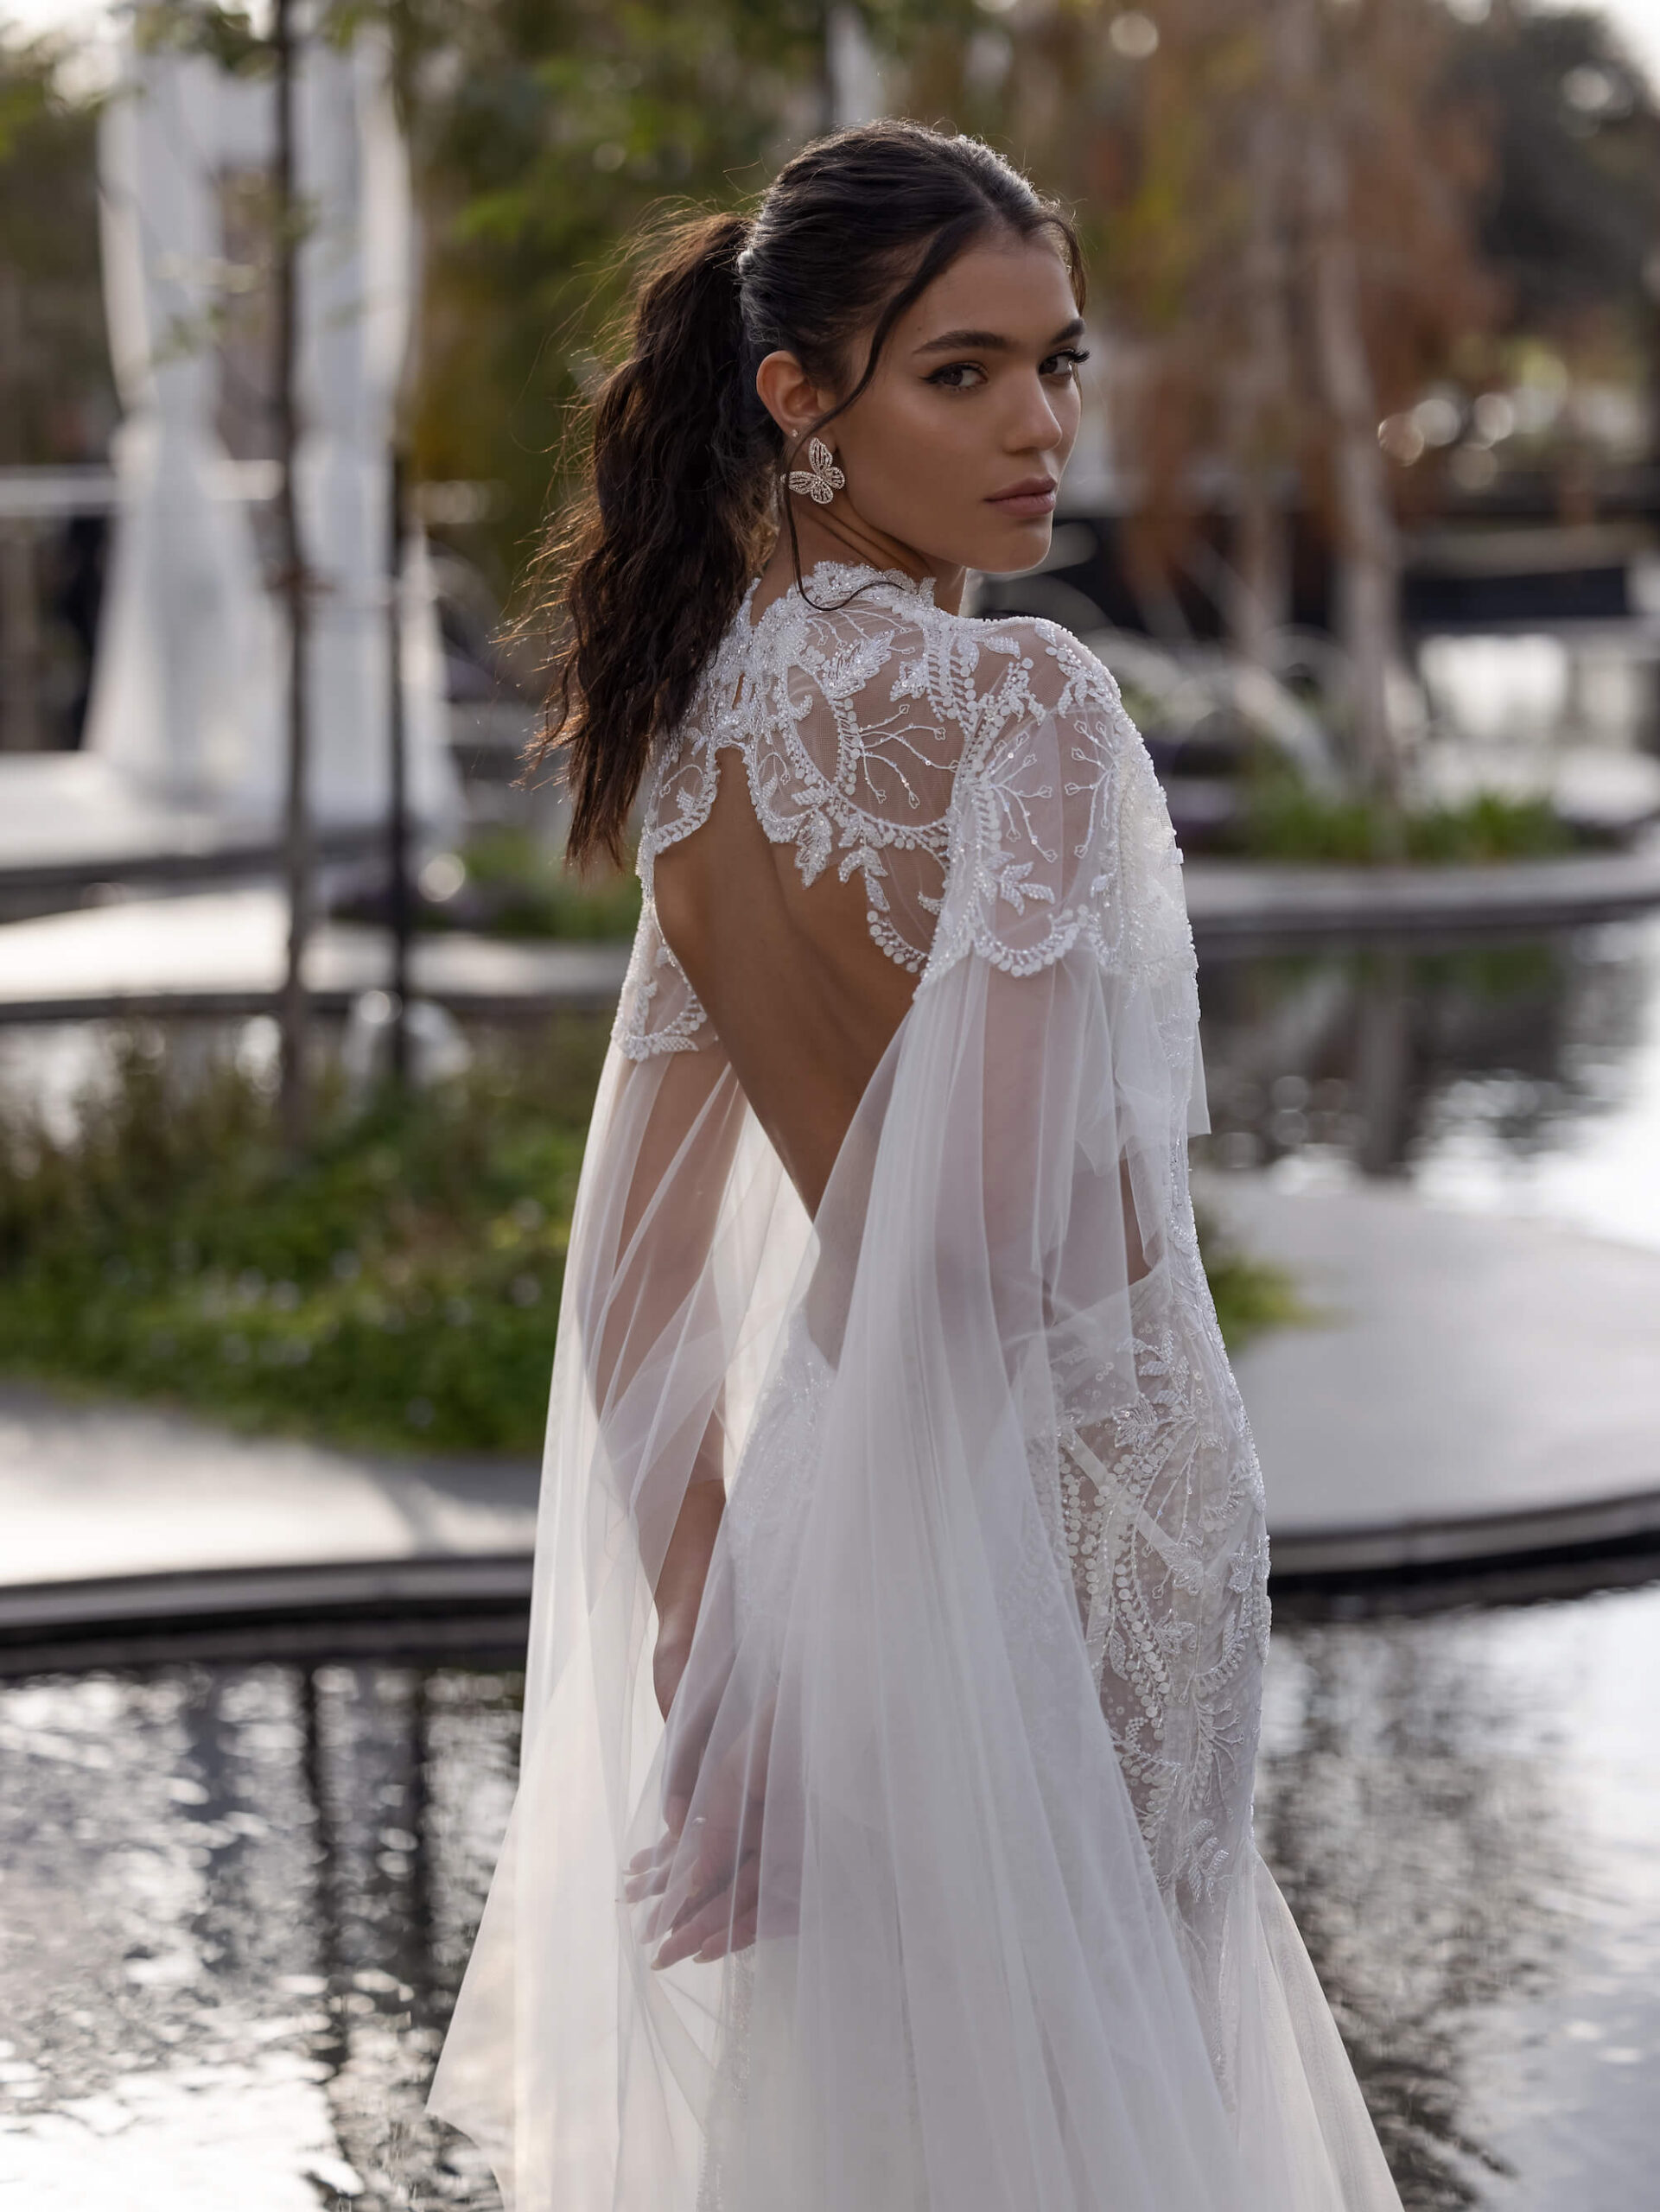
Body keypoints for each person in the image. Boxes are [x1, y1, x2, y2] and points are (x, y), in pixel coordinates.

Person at [428, 120, 1403, 2212]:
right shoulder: (1023, 705)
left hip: (860, 1557)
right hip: (1093, 1507)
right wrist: (778, 1621)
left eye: (1058, 362)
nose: (1039, 423)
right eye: (959, 373)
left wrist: (727, 1619)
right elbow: (975, 1240)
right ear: (800, 398)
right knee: (1112, 2111)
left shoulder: (689, 745)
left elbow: (633, 1285)